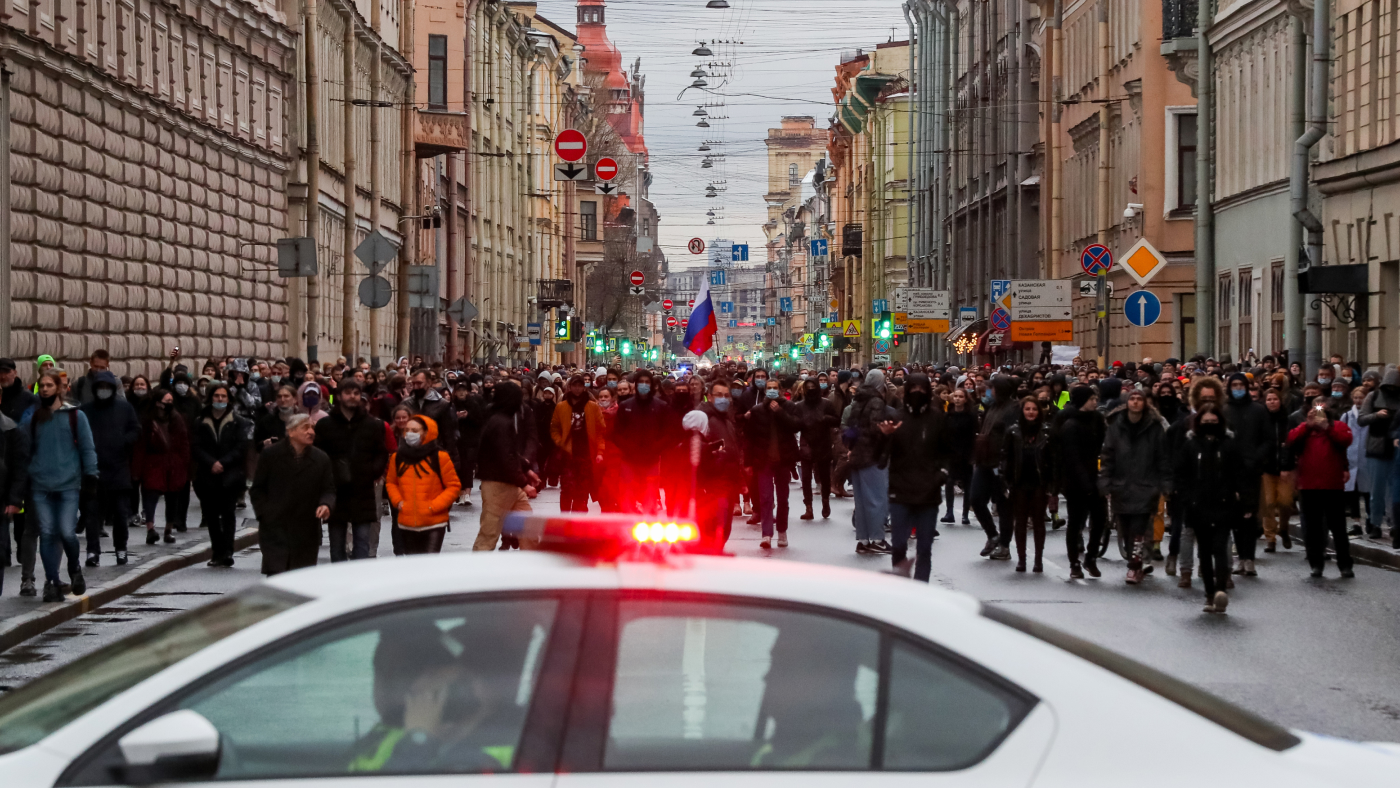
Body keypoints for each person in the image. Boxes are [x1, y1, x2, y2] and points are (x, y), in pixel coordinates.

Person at [22, 371, 99, 602]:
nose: (45, 389)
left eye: (49, 385)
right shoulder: (33, 419)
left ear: (59, 388)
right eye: (42, 385)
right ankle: (53, 581)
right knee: (47, 534)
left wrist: (91, 476)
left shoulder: (76, 416)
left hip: (68, 485)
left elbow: (87, 448)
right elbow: (23, 449)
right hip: (40, 486)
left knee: (67, 532)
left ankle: (74, 568)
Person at [1099, 388, 1172, 584]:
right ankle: (1135, 559)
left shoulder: (1154, 427)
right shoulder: (1116, 426)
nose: (1136, 402)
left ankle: (1134, 566)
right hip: (1121, 485)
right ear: (1127, 402)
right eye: (1132, 399)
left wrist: (1165, 483)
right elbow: (1108, 456)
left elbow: (1162, 458)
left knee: (1140, 527)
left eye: (1140, 399)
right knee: (1126, 529)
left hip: (1146, 485)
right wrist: (1105, 481)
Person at [1175, 404, 1242, 613]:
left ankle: (1220, 590)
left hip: (1223, 505)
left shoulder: (1229, 444)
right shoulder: (1190, 445)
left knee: (1220, 548)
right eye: (1206, 421)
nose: (1210, 425)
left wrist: (1239, 497)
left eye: (1213, 421)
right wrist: (1187, 499)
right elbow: (1182, 474)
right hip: (1198, 506)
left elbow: (1238, 473)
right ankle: (1209, 593)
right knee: (1204, 551)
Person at [313, 380, 389, 562]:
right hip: (336, 490)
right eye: (348, 393)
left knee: (362, 543)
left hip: (362, 489)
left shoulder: (373, 424)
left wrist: (372, 472)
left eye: (356, 393)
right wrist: (328, 477)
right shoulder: (325, 425)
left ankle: (359, 576)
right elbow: (318, 454)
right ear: (339, 396)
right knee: (337, 544)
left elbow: (381, 453)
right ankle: (341, 577)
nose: (352, 396)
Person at [250, 413, 335, 575]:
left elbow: (328, 489)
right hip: (275, 527)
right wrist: (265, 514)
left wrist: (326, 504)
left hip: (306, 529)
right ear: (291, 431)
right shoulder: (271, 455)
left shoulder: (320, 458)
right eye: (305, 428)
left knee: (300, 579)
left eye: (312, 428)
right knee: (277, 577)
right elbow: (257, 489)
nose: (311, 432)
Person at [887, 374, 947, 581]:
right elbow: (882, 455)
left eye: (922, 388)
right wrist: (886, 436)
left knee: (924, 547)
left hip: (928, 492)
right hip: (900, 490)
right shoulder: (897, 418)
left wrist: (942, 474)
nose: (917, 392)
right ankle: (900, 583)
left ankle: (921, 587)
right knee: (898, 545)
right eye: (913, 388)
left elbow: (948, 451)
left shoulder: (937, 418)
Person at [78, 371, 140, 567]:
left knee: (121, 514)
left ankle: (121, 548)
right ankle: (92, 551)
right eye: (100, 387)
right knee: (92, 514)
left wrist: (124, 441)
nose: (103, 390)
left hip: (118, 469)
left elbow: (135, 429)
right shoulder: (86, 410)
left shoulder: (124, 408)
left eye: (107, 387)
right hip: (93, 470)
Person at [1289, 399, 1354, 578]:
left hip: (1332, 484)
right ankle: (1316, 564)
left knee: (1338, 527)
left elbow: (1345, 440)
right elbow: (1291, 440)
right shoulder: (1304, 428)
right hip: (1309, 485)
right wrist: (1307, 425)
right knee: (1312, 528)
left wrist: (1326, 427)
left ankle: (1345, 564)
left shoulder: (1338, 426)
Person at [191, 384, 251, 567]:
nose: (220, 399)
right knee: (211, 516)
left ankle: (227, 551)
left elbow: (241, 447)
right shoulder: (200, 422)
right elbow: (196, 447)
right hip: (207, 475)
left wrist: (223, 463)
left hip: (230, 475)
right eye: (216, 396)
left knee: (228, 514)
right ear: (211, 398)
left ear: (228, 399)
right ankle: (217, 551)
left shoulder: (238, 422)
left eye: (223, 396)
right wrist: (211, 463)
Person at [474, 381, 538, 551]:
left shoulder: (498, 419)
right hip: (497, 484)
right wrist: (523, 483)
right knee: (489, 532)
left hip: (508, 482)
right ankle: (477, 566)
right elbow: (505, 456)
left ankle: (532, 560)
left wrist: (526, 470)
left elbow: (509, 453)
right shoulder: (501, 423)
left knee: (527, 527)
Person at [1051, 386, 1107, 578]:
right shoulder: (1070, 424)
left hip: (1094, 476)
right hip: (1074, 480)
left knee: (1100, 519)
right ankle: (1074, 562)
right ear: (1082, 400)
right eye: (1091, 399)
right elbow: (1071, 457)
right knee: (1075, 522)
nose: (1095, 402)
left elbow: (1102, 444)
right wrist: (1084, 482)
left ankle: (1091, 557)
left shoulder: (1097, 419)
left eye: (1096, 398)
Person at [386, 415, 461, 554]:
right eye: (407, 430)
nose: (409, 434)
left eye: (415, 430)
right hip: (407, 522)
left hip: (434, 522)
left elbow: (453, 486)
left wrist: (434, 506)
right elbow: (391, 482)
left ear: (426, 432)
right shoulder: (398, 457)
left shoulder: (440, 457)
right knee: (413, 563)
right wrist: (398, 501)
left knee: (429, 563)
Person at [845, 368, 898, 555]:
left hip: (857, 454)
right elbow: (876, 428)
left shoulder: (858, 399)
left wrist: (851, 447)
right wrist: (886, 434)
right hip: (873, 455)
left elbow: (851, 427)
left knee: (861, 501)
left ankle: (863, 540)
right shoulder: (876, 401)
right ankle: (877, 539)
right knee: (876, 499)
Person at [743, 375, 799, 549]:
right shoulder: (758, 410)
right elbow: (749, 438)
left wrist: (780, 413)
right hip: (763, 460)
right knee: (766, 498)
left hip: (783, 460)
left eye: (775, 388)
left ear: (781, 391)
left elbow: (796, 426)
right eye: (769, 388)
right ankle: (766, 534)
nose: (772, 391)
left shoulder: (789, 407)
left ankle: (782, 531)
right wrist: (748, 462)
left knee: (783, 498)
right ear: (765, 391)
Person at [1222, 372, 1269, 576]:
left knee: (1249, 516)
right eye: (1235, 385)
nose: (1238, 389)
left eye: (1241, 385)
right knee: (1234, 517)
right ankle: (1240, 558)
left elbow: (1267, 439)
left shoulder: (1258, 410)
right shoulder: (1224, 410)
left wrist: (1256, 458)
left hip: (1251, 471)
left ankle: (1249, 558)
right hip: (1228, 471)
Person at [609, 369, 674, 515]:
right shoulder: (626, 406)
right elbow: (616, 433)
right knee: (628, 495)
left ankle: (649, 520)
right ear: (636, 384)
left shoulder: (661, 406)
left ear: (651, 385)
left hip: (652, 459)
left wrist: (657, 447)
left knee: (650, 495)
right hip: (629, 459)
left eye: (647, 382)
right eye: (641, 382)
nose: (644, 385)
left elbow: (668, 433)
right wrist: (627, 447)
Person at [132, 388, 192, 546]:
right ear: (158, 403)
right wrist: (137, 470)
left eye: (171, 401)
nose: (169, 404)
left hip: (173, 464)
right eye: (167, 401)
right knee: (150, 495)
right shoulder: (148, 421)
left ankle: (168, 529)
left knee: (172, 497)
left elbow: (184, 442)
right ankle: (150, 528)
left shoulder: (177, 419)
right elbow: (141, 446)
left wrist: (184, 463)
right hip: (153, 463)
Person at [691, 381, 744, 552]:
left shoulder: (726, 420)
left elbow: (734, 450)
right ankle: (711, 556)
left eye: (726, 395)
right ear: (710, 397)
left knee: (725, 526)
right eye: (719, 395)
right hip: (713, 482)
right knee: (716, 526)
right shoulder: (703, 418)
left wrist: (740, 480)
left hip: (729, 482)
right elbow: (694, 446)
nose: (723, 399)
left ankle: (715, 552)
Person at [1002, 397, 1053, 573]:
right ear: (1022, 411)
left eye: (1034, 409)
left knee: (1038, 521)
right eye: (1027, 409)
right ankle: (1022, 559)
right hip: (1019, 482)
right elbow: (1006, 457)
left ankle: (1038, 560)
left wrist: (1052, 483)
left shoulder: (1046, 432)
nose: (1031, 412)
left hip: (1039, 483)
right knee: (1020, 522)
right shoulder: (1013, 432)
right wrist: (1005, 481)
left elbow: (1053, 459)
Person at [970, 375, 1017, 559]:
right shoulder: (992, 407)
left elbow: (1012, 437)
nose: (989, 391)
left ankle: (1004, 546)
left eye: (992, 388)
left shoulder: (1012, 409)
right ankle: (992, 535)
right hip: (984, 461)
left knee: (1004, 506)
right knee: (976, 499)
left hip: (1000, 463)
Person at [1358, 369, 1400, 543]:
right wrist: (1377, 415)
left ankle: (1394, 524)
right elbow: (1361, 419)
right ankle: (1375, 523)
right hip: (1376, 448)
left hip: (1395, 449)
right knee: (1377, 490)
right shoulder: (1374, 396)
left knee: (1394, 491)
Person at [551, 375, 604, 513]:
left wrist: (600, 451)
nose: (577, 388)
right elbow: (554, 428)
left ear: (584, 387)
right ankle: (565, 518)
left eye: (580, 385)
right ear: (570, 387)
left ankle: (578, 519)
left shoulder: (592, 407)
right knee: (567, 489)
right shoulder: (561, 406)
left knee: (583, 489)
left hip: (586, 454)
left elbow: (600, 430)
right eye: (574, 385)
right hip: (567, 455)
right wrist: (560, 442)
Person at [794, 377, 840, 520]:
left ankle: (825, 501)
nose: (811, 390)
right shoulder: (799, 406)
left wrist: (825, 419)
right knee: (806, 478)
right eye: (808, 387)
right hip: (807, 443)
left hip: (823, 443)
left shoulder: (826, 404)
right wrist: (801, 423)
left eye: (813, 387)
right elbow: (795, 424)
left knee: (824, 477)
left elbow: (837, 420)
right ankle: (808, 507)